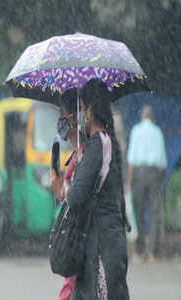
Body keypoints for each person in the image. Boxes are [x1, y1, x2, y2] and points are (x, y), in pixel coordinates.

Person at [63, 80, 130, 300]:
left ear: (89, 109)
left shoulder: (97, 146)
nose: (80, 114)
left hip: (101, 251)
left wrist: (59, 186)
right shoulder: (107, 142)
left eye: (81, 108)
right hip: (110, 245)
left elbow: (74, 198)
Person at [50, 89, 86, 300]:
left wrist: (59, 190)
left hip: (78, 240)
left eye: (63, 116)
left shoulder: (85, 154)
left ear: (74, 118)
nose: (60, 122)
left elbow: (75, 198)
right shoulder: (76, 155)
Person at [125, 105, 167, 263]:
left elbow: (131, 161)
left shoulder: (136, 131)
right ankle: (151, 252)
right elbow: (163, 162)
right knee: (155, 212)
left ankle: (140, 249)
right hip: (155, 174)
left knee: (138, 211)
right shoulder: (158, 132)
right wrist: (159, 181)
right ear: (152, 117)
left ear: (142, 117)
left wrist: (129, 183)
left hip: (140, 174)